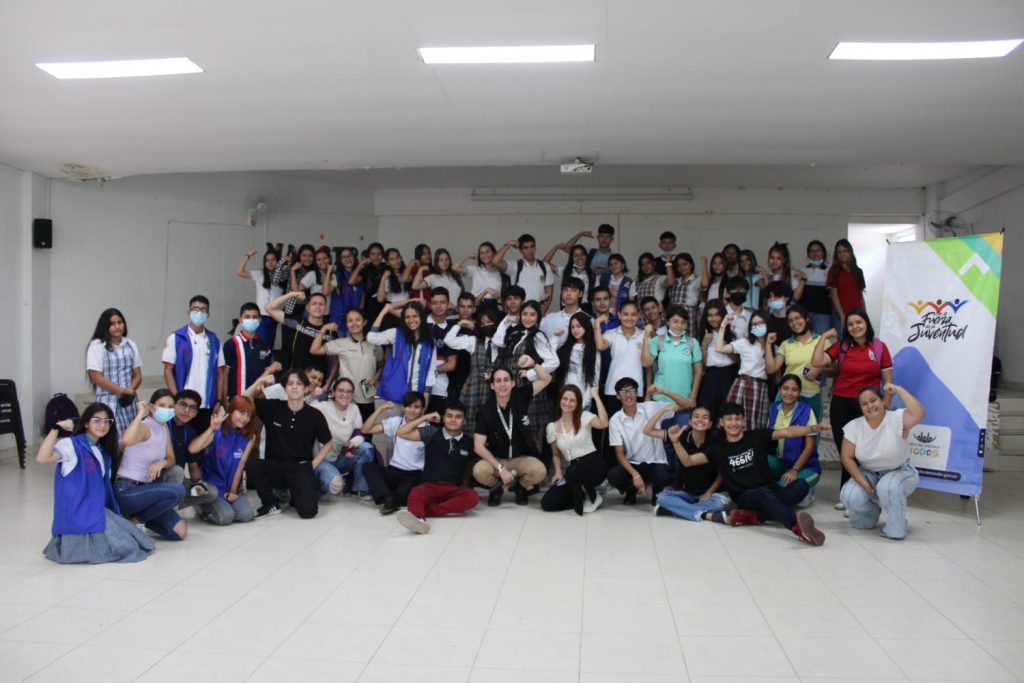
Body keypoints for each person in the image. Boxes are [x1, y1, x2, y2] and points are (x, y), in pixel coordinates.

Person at [679, 401, 829, 545]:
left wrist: (812, 428)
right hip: (745, 496)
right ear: (721, 423)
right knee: (763, 493)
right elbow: (688, 461)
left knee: (801, 486)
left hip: (770, 489)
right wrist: (675, 442)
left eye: (737, 419)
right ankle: (797, 528)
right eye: (729, 419)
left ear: (744, 421)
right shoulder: (717, 449)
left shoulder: (756, 436)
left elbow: (788, 432)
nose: (733, 423)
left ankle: (753, 517)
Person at [37, 404, 155, 564]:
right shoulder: (71, 444)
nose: (102, 425)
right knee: (125, 549)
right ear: (86, 423)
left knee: (136, 543)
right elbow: (42, 458)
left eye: (107, 421)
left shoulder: (103, 450)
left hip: (95, 508)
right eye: (97, 420)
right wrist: (56, 428)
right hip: (77, 510)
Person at [812, 308, 893, 507]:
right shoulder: (842, 346)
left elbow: (888, 382)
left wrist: (886, 408)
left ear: (866, 324)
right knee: (846, 452)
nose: (855, 327)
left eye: (859, 322)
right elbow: (817, 361)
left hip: (868, 407)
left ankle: (865, 494)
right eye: (850, 324)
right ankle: (847, 495)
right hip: (841, 404)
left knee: (865, 452)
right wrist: (823, 337)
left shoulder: (879, 347)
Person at [840, 384, 925, 540]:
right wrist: (862, 481)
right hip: (868, 472)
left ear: (883, 401)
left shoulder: (897, 418)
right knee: (849, 496)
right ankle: (869, 516)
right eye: (864, 404)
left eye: (873, 400)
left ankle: (896, 526)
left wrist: (899, 390)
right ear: (861, 408)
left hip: (900, 471)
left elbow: (919, 412)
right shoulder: (854, 426)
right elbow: (847, 457)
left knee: (888, 487)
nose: (870, 406)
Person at [246, 370, 333, 518]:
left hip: (300, 468)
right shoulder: (273, 407)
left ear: (306, 388)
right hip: (275, 467)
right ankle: (270, 504)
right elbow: (243, 399)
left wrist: (312, 465)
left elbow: (328, 443)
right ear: (285, 388)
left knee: (308, 513)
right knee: (251, 464)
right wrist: (260, 382)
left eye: (299, 384)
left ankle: (296, 494)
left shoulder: (315, 415)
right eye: (290, 383)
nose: (294, 387)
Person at [393, 401, 480, 534]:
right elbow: (401, 433)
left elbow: (470, 466)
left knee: (473, 497)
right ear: (443, 418)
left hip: (453, 489)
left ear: (464, 421)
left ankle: (426, 511)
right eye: (449, 416)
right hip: (429, 486)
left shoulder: (469, 442)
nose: (453, 420)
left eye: (458, 417)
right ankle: (420, 520)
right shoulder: (431, 432)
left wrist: (464, 486)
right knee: (415, 493)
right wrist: (424, 418)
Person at [473, 363, 552, 507]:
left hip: (520, 458)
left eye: (506, 380)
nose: (503, 384)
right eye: (498, 381)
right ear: (492, 386)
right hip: (496, 459)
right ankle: (496, 488)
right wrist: (500, 468)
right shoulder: (485, 410)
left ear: (513, 383)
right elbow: (478, 447)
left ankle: (520, 487)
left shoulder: (521, 397)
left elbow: (546, 379)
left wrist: (534, 364)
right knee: (479, 471)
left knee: (540, 470)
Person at [117, 391, 190, 540]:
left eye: (170, 406)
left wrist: (162, 462)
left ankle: (136, 520)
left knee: (179, 532)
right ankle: (136, 521)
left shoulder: (163, 428)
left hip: (146, 490)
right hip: (128, 489)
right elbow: (126, 441)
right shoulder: (145, 427)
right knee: (179, 491)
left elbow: (171, 458)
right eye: (162, 405)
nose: (167, 409)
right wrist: (139, 414)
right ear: (152, 407)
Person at [646, 407, 729, 522]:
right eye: (696, 416)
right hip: (687, 493)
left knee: (721, 503)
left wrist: (709, 492)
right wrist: (663, 410)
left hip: (710, 494)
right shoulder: (681, 435)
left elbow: (721, 473)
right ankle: (704, 514)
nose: (700, 420)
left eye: (705, 417)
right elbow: (648, 430)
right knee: (661, 497)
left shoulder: (716, 443)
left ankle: (674, 510)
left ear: (710, 424)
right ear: (690, 422)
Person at [188, 398, 257, 525]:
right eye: (241, 413)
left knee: (246, 514)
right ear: (231, 411)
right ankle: (201, 506)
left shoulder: (249, 437)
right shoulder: (217, 430)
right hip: (210, 487)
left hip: (230, 485)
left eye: (249, 415)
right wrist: (211, 429)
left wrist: (233, 492)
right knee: (226, 517)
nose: (245, 418)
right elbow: (192, 449)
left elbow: (240, 465)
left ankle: (222, 505)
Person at [541, 386, 610, 515]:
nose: (567, 403)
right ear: (560, 400)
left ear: (578, 403)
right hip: (573, 471)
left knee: (574, 468)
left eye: (572, 400)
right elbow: (555, 455)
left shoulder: (584, 416)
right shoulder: (552, 427)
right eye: (565, 399)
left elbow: (604, 423)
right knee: (548, 502)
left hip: (593, 464)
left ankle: (593, 497)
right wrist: (557, 472)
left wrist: (596, 397)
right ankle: (583, 494)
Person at [162, 295, 225, 434]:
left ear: (208, 314)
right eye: (195, 309)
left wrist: (219, 400)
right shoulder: (176, 338)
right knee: (181, 440)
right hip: (184, 405)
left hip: (207, 405)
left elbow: (220, 372)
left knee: (203, 441)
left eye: (203, 310)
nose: (199, 313)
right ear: (189, 312)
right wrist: (177, 398)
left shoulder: (214, 340)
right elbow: (167, 370)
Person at [606, 377, 672, 505]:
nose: (628, 395)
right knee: (613, 476)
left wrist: (664, 392)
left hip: (655, 462)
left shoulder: (650, 407)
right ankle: (631, 489)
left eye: (631, 391)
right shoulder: (615, 420)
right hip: (633, 463)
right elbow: (619, 454)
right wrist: (635, 475)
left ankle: (657, 490)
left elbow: (686, 405)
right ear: (618, 396)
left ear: (637, 393)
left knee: (663, 475)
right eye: (623, 392)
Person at [361, 392, 428, 514]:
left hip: (413, 474)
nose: (412, 410)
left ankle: (389, 497)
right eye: (409, 406)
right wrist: (380, 409)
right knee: (368, 467)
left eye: (417, 407)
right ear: (403, 407)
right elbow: (366, 429)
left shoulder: (427, 429)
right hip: (393, 470)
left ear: (422, 409)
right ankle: (389, 497)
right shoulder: (396, 422)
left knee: (404, 496)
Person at [310, 309, 383, 421]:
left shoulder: (374, 344)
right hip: (345, 395)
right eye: (350, 321)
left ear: (364, 322)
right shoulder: (341, 343)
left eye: (357, 320)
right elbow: (314, 350)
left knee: (365, 428)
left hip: (367, 393)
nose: (354, 323)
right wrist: (323, 329)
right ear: (346, 325)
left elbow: (382, 364)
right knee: (343, 428)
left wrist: (376, 376)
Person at [313, 377, 378, 500]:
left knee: (366, 448)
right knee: (336, 485)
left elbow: (359, 433)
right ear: (333, 392)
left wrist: (352, 443)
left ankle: (360, 489)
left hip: (342, 457)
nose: (345, 394)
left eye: (349, 392)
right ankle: (317, 485)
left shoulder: (354, 408)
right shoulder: (322, 407)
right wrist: (312, 394)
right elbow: (303, 406)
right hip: (322, 459)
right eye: (341, 390)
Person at [443, 305, 500, 435]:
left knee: (490, 422)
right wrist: (460, 323)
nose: (486, 326)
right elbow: (448, 340)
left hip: (495, 389)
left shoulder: (502, 343)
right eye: (483, 323)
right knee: (469, 422)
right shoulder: (473, 341)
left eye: (489, 322)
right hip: (474, 388)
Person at [765, 304, 829, 419]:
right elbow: (771, 369)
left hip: (811, 395)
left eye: (797, 318)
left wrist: (819, 369)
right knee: (782, 430)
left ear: (807, 318)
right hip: (787, 396)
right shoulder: (785, 344)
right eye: (790, 321)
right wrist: (768, 344)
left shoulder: (822, 341)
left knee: (811, 430)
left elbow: (834, 369)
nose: (794, 322)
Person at [643, 306, 703, 426]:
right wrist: (646, 337)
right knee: (661, 436)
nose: (679, 325)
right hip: (660, 400)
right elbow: (646, 363)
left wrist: (693, 397)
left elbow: (698, 372)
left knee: (681, 434)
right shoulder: (657, 341)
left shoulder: (692, 343)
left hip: (683, 401)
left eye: (683, 322)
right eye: (675, 321)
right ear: (668, 322)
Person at [767, 374, 822, 505]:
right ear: (780, 390)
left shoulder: (807, 411)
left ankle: (805, 493)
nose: (789, 393)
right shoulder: (773, 408)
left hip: (806, 467)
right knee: (763, 461)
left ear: (799, 392)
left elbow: (810, 446)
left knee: (787, 487)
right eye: (785, 388)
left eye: (794, 390)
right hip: (781, 463)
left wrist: (794, 470)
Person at [86, 308, 142, 435]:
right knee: (111, 437)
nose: (117, 326)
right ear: (105, 327)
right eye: (112, 324)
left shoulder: (130, 344)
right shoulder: (97, 346)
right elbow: (96, 377)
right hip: (107, 401)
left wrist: (130, 389)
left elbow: (137, 374)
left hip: (129, 401)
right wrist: (121, 391)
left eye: (120, 322)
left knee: (131, 436)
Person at [368, 301, 436, 404]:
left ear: (421, 317)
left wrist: (426, 394)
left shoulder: (429, 340)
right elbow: (371, 338)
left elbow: (431, 370)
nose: (411, 320)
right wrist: (384, 311)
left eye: (415, 316)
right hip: (393, 395)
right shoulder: (396, 334)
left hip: (417, 397)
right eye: (407, 317)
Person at [716, 310, 772, 429]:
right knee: (734, 420)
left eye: (761, 323)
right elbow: (719, 348)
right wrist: (723, 325)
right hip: (743, 384)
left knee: (756, 427)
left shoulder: (773, 347)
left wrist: (769, 345)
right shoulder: (744, 343)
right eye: (754, 324)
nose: (758, 326)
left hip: (761, 388)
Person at [266, 291, 337, 378]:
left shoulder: (330, 331)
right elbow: (269, 308)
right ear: (307, 307)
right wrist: (291, 294)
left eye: (321, 304)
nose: (317, 306)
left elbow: (335, 362)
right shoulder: (297, 322)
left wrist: (328, 383)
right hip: (297, 378)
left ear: (326, 309)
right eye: (314, 304)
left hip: (317, 380)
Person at [594, 299, 645, 420]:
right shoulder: (612, 333)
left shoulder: (644, 335)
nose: (629, 318)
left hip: (636, 390)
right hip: (613, 389)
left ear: (639, 316)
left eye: (633, 314)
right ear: (619, 314)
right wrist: (596, 325)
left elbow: (648, 366)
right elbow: (600, 346)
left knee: (635, 427)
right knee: (613, 425)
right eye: (626, 314)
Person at [221, 302, 273, 400]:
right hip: (236, 400)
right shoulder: (231, 344)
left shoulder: (265, 346)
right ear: (240, 320)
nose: (251, 320)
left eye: (254, 317)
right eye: (247, 317)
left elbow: (267, 375)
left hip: (258, 400)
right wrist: (224, 400)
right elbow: (225, 375)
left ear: (260, 320)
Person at [697, 299, 737, 422]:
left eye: (717, 315)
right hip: (710, 376)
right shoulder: (704, 334)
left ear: (722, 315)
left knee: (727, 412)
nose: (713, 319)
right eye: (710, 315)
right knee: (708, 412)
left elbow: (738, 361)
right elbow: (702, 367)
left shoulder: (732, 333)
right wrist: (704, 346)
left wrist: (726, 348)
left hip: (729, 375)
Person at [235, 248, 283, 348]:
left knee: (269, 347)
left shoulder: (283, 278)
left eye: (273, 260)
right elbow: (239, 272)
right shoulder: (259, 274)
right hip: (262, 316)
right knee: (260, 345)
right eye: (267, 260)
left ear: (278, 261)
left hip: (275, 317)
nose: (270, 263)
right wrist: (248, 255)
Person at [498, 234, 556, 313]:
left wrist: (541, 313)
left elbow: (549, 294)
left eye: (532, 247)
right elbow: (496, 262)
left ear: (535, 247)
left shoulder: (545, 267)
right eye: (526, 248)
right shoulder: (515, 266)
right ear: (520, 250)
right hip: (518, 313)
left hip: (538, 312)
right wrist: (508, 244)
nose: (530, 250)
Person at [555, 311, 601, 411]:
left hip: (584, 398)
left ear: (586, 326)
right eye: (572, 327)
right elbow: (553, 361)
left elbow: (594, 379)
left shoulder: (593, 350)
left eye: (579, 326)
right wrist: (556, 337)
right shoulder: (565, 348)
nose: (575, 330)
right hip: (565, 399)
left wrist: (585, 401)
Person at [423, 288, 458, 415]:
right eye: (434, 302)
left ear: (448, 304)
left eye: (442, 302)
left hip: (439, 388)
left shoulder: (452, 331)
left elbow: (451, 365)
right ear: (429, 304)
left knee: (436, 423)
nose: (438, 306)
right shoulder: (419, 323)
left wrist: (427, 372)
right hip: (416, 387)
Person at [827, 238, 866, 331]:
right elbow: (834, 295)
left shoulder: (858, 271)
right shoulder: (833, 271)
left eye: (845, 251)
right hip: (841, 313)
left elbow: (860, 296)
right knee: (843, 339)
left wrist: (864, 314)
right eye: (839, 252)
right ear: (836, 255)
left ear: (850, 252)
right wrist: (842, 316)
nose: (842, 254)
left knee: (858, 338)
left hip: (857, 313)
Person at [540, 277, 588, 351]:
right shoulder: (548, 319)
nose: (568, 294)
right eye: (565, 290)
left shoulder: (588, 320)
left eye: (573, 290)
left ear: (580, 294)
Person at [327, 246, 365, 332]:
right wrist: (328, 273)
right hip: (338, 318)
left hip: (354, 319)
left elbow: (362, 297)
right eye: (343, 257)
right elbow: (327, 291)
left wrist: (360, 313)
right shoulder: (336, 275)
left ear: (354, 257)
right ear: (340, 260)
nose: (347, 259)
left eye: (349, 256)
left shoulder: (360, 276)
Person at [349, 242, 387, 324]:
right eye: (373, 254)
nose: (376, 257)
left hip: (385, 306)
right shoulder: (366, 269)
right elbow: (351, 282)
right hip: (369, 307)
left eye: (379, 254)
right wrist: (360, 264)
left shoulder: (387, 268)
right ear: (369, 256)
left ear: (383, 255)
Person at [802, 240, 832, 334]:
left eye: (818, 250)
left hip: (823, 314)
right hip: (804, 314)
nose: (815, 253)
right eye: (812, 251)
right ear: (808, 254)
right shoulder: (802, 271)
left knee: (820, 341)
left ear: (823, 253)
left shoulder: (830, 270)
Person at [668, 253, 701, 331]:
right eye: (679, 266)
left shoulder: (697, 280)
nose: (682, 268)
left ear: (691, 265)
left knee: (689, 337)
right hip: (674, 315)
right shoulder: (675, 281)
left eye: (685, 264)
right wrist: (668, 263)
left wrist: (704, 263)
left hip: (689, 315)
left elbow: (705, 284)